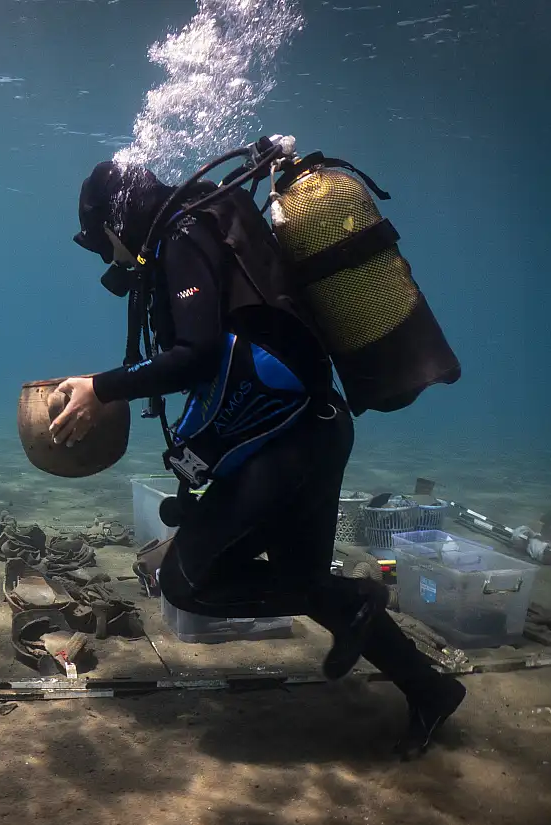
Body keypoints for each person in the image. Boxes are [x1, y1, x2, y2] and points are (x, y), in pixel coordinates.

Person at [51, 155, 466, 760]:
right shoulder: (209, 223)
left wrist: (101, 387)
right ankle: (430, 689)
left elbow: (194, 354)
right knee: (307, 583)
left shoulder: (182, 236)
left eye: (102, 242)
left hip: (286, 446)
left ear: (118, 218)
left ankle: (362, 609)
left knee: (187, 581)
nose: (108, 257)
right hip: (315, 429)